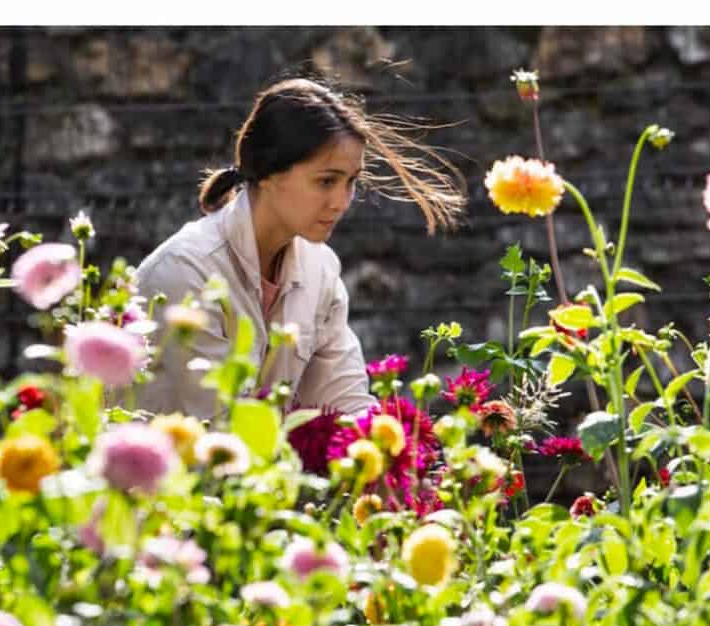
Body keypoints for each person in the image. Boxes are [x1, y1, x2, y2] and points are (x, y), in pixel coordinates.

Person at [134, 77, 466, 421]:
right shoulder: (187, 272)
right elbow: (221, 432)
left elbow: (347, 406)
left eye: (351, 181)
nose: (341, 202)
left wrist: (391, 457)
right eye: (326, 181)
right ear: (268, 173)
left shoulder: (320, 270)